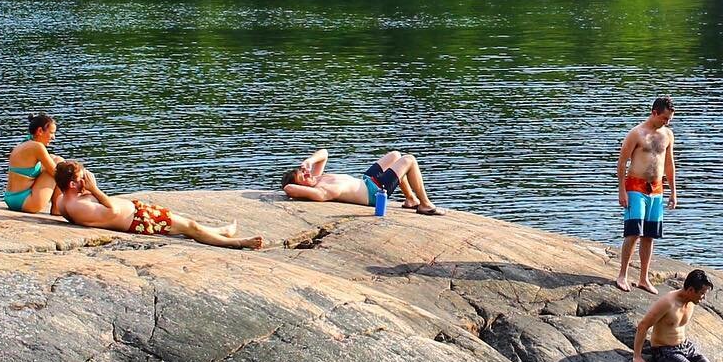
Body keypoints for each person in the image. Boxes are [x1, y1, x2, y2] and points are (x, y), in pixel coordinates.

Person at [51, 159, 263, 249]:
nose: (86, 179)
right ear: (72, 184)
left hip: (140, 214)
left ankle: (221, 231)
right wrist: (95, 188)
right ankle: (237, 243)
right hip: (140, 221)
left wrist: (85, 190)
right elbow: (112, 211)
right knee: (191, 227)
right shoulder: (80, 206)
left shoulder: (64, 200)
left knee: (188, 225)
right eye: (81, 178)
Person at [615, 96, 677, 293]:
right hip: (635, 186)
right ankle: (622, 275)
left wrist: (674, 191)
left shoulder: (667, 134)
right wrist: (622, 190)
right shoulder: (636, 133)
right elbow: (622, 161)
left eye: (669, 119)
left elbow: (669, 164)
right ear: (654, 113)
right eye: (664, 118)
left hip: (657, 188)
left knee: (649, 235)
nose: (666, 122)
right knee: (634, 232)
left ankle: (643, 278)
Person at [279, 147, 441, 214]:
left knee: (395, 155)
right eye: (304, 178)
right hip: (374, 192)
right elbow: (289, 189)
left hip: (367, 180)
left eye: (304, 172)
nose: (308, 175)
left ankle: (411, 199)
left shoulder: (317, 177)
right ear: (301, 188)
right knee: (409, 160)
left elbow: (324, 153)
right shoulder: (320, 191)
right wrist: (294, 186)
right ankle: (424, 204)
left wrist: (309, 161)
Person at [4, 112, 62, 213]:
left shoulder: (24, 144)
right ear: (40, 131)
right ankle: (57, 209)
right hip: (26, 202)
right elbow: (57, 175)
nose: (53, 137)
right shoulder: (37, 147)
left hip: (10, 199)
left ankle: (57, 207)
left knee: (53, 158)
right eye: (52, 133)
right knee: (59, 163)